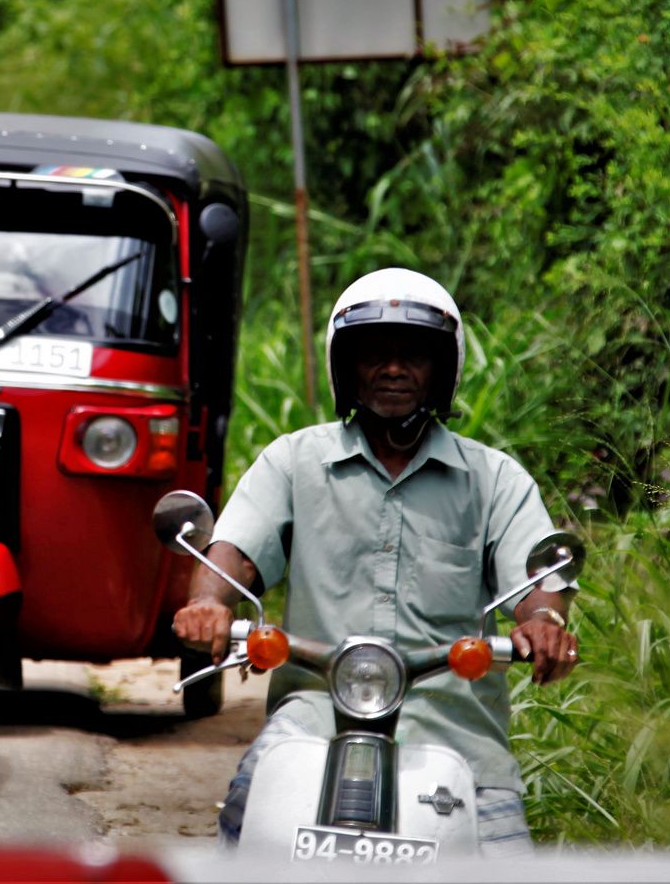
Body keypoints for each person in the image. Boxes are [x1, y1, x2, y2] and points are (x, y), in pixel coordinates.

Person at [173, 268, 579, 857]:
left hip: (456, 729)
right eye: (374, 353)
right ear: (347, 368)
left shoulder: (494, 480)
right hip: (315, 715)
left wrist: (544, 622)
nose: (393, 368)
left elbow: (537, 581)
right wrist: (209, 603)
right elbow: (235, 551)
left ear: (443, 368)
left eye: (413, 354)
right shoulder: (294, 461)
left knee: (505, 859)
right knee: (247, 813)